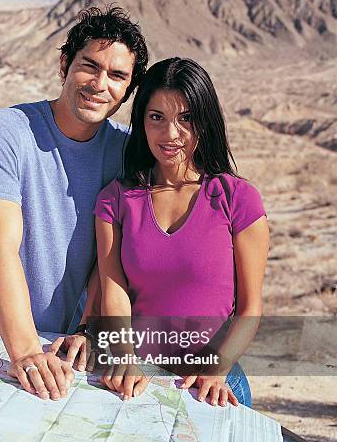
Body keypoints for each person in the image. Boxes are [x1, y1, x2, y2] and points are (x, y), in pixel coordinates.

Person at [0, 5, 149, 401]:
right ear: (65, 65)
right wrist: (25, 349)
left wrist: (89, 331)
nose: (99, 83)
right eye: (89, 66)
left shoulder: (127, 150)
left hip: (69, 362)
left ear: (128, 90)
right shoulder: (6, 129)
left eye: (116, 76)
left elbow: (110, 258)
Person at [94, 57, 270, 406]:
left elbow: (250, 308)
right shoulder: (116, 200)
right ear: (141, 121)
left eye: (185, 118)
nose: (170, 134)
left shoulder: (237, 199)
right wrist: (124, 355)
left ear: (205, 122)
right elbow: (114, 293)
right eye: (156, 117)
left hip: (213, 383)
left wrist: (217, 368)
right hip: (139, 381)